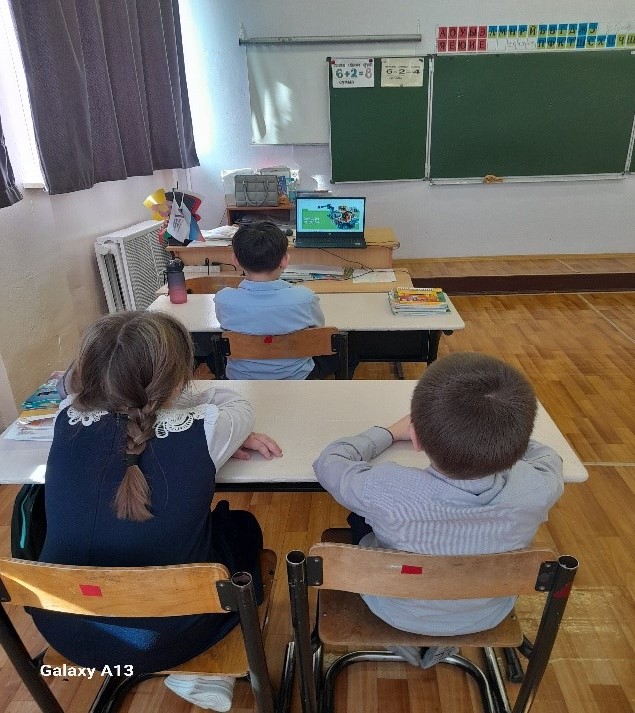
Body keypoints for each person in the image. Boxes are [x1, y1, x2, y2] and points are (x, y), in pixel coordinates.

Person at [31, 311, 282, 711]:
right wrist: (213, 420)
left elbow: (72, 385)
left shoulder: (66, 416)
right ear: (179, 378)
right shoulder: (206, 428)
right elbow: (236, 401)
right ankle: (201, 670)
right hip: (171, 635)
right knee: (241, 526)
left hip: (63, 627)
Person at [313, 352, 564, 668]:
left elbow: (330, 461)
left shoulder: (385, 488)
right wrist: (499, 434)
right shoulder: (538, 488)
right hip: (486, 612)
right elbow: (550, 458)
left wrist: (389, 432)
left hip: (394, 608)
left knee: (360, 518)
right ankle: (442, 639)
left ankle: (407, 639)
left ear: (416, 438)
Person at [214, 220, 356, 380]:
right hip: (297, 376)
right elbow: (318, 329)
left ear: (235, 260)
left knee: (211, 355)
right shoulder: (305, 297)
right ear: (285, 260)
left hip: (241, 379)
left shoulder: (223, 299)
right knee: (349, 355)